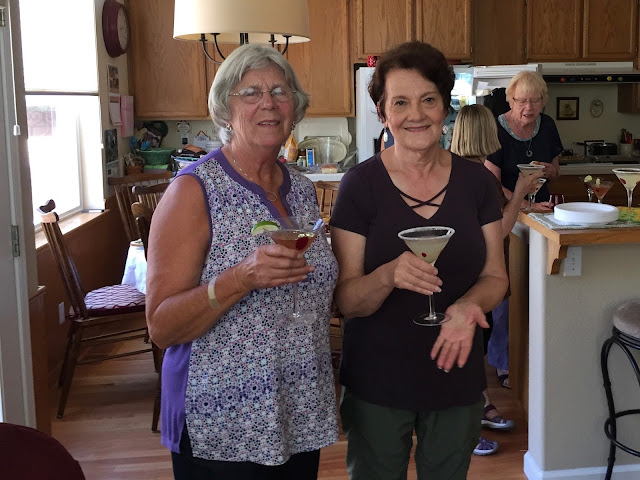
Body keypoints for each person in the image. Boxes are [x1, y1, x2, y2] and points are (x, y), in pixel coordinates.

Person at [145, 44, 339, 480]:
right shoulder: (193, 190)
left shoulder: (301, 188)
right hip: (221, 418)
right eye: (250, 93)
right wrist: (241, 278)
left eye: (279, 91)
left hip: (297, 407)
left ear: (295, 107)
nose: (268, 102)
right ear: (225, 109)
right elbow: (161, 327)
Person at [329, 41, 509, 479]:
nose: (416, 114)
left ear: (445, 106)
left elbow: (495, 277)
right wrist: (388, 275)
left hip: (456, 369)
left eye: (428, 99)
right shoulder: (359, 186)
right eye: (400, 102)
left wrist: (467, 307)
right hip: (378, 379)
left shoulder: (477, 183)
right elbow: (346, 301)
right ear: (382, 112)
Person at [450, 104, 541, 456]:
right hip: (474, 274)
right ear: (487, 133)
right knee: (466, 348)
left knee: (473, 347)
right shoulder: (479, 177)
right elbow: (499, 229)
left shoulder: (461, 170)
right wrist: (520, 192)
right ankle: (465, 428)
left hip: (463, 270)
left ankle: (482, 405)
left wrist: (519, 196)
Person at [485, 70, 561, 388]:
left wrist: (549, 171)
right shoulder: (496, 129)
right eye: (521, 101)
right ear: (510, 100)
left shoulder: (548, 126)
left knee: (542, 286)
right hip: (507, 216)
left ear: (543, 101)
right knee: (508, 289)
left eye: (535, 101)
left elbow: (556, 170)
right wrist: (522, 203)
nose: (528, 107)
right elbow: (491, 181)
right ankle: (503, 361)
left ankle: (537, 355)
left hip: (542, 215)